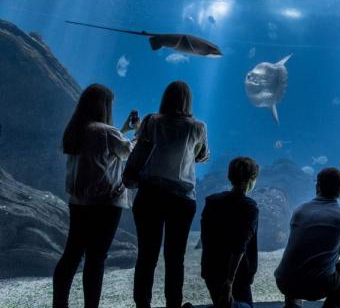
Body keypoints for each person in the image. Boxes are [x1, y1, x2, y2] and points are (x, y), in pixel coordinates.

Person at [53, 84, 139, 308]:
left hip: (79, 202)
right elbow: (127, 151)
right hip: (105, 204)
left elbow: (110, 150)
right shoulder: (106, 131)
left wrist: (124, 131)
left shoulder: (77, 129)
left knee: (71, 255)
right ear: (104, 105)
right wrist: (139, 133)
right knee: (96, 258)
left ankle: (59, 304)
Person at [129, 80, 209, 308]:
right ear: (188, 101)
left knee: (146, 256)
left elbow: (141, 148)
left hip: (150, 195)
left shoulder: (151, 121)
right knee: (175, 259)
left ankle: (142, 304)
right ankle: (174, 304)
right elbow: (202, 155)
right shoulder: (198, 127)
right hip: (181, 199)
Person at [274, 167, 340, 308]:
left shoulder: (299, 210)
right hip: (318, 286)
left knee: (298, 259)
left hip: (284, 282)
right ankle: (333, 305)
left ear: (317, 185)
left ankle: (292, 305)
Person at [200, 156, 261, 308]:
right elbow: (239, 245)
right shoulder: (249, 207)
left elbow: (205, 238)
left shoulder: (212, 201)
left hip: (211, 269)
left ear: (229, 177)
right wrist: (229, 281)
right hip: (237, 274)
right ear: (253, 179)